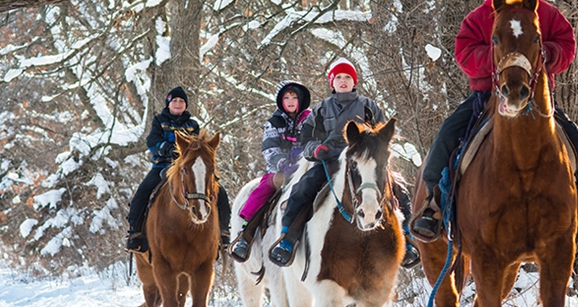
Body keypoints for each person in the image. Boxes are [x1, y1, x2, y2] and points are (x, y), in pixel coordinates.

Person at [410, 0, 578, 248]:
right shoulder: (479, 17)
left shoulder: (544, 13)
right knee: (448, 134)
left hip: (537, 98)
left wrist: (545, 54)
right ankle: (432, 206)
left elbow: (566, 42)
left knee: (576, 142)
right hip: (487, 96)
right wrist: (502, 59)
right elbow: (464, 52)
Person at [267, 58, 421, 268]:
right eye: (338, 77)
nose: (343, 81)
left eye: (347, 77)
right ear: (332, 82)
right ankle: (287, 240)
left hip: (364, 160)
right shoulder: (321, 109)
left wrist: (374, 149)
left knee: (398, 187)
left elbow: (383, 134)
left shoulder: (368, 105)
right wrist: (316, 150)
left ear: (354, 81)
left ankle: (408, 240)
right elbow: (306, 139)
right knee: (303, 187)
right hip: (329, 159)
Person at [125, 86, 231, 253]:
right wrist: (167, 149)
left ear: (186, 105)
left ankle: (224, 232)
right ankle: (135, 232)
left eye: (181, 101)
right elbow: (152, 141)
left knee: (221, 192)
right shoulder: (159, 121)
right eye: (174, 100)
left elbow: (199, 147)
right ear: (168, 103)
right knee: (143, 191)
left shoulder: (192, 124)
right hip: (163, 165)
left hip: (189, 168)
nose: (178, 103)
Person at [229, 80, 313, 262]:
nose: (290, 101)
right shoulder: (274, 122)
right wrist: (282, 163)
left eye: (294, 98)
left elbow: (312, 141)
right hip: (280, 170)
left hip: (304, 168)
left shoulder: (309, 119)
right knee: (265, 188)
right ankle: (246, 233)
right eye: (287, 98)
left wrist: (302, 157)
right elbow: (269, 148)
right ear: (281, 101)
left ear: (301, 100)